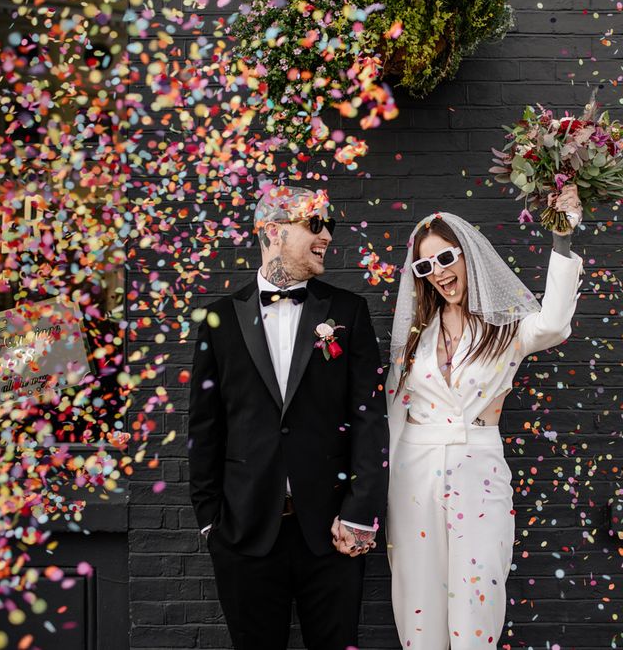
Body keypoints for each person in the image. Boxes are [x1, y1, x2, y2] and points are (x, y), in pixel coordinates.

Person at [188, 185, 388, 650]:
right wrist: (210, 521)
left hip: (332, 532)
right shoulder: (219, 319)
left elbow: (369, 418)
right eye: (314, 225)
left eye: (329, 227)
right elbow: (204, 426)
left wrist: (360, 512)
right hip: (244, 532)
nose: (328, 237)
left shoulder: (347, 312)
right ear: (273, 232)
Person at [386, 186, 584, 649]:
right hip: (414, 472)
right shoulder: (415, 337)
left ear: (467, 255)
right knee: (417, 595)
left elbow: (554, 323)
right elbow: (395, 410)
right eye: (424, 265)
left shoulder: (506, 328)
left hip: (479, 464)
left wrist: (561, 242)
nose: (438, 272)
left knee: (478, 594)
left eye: (445, 258)